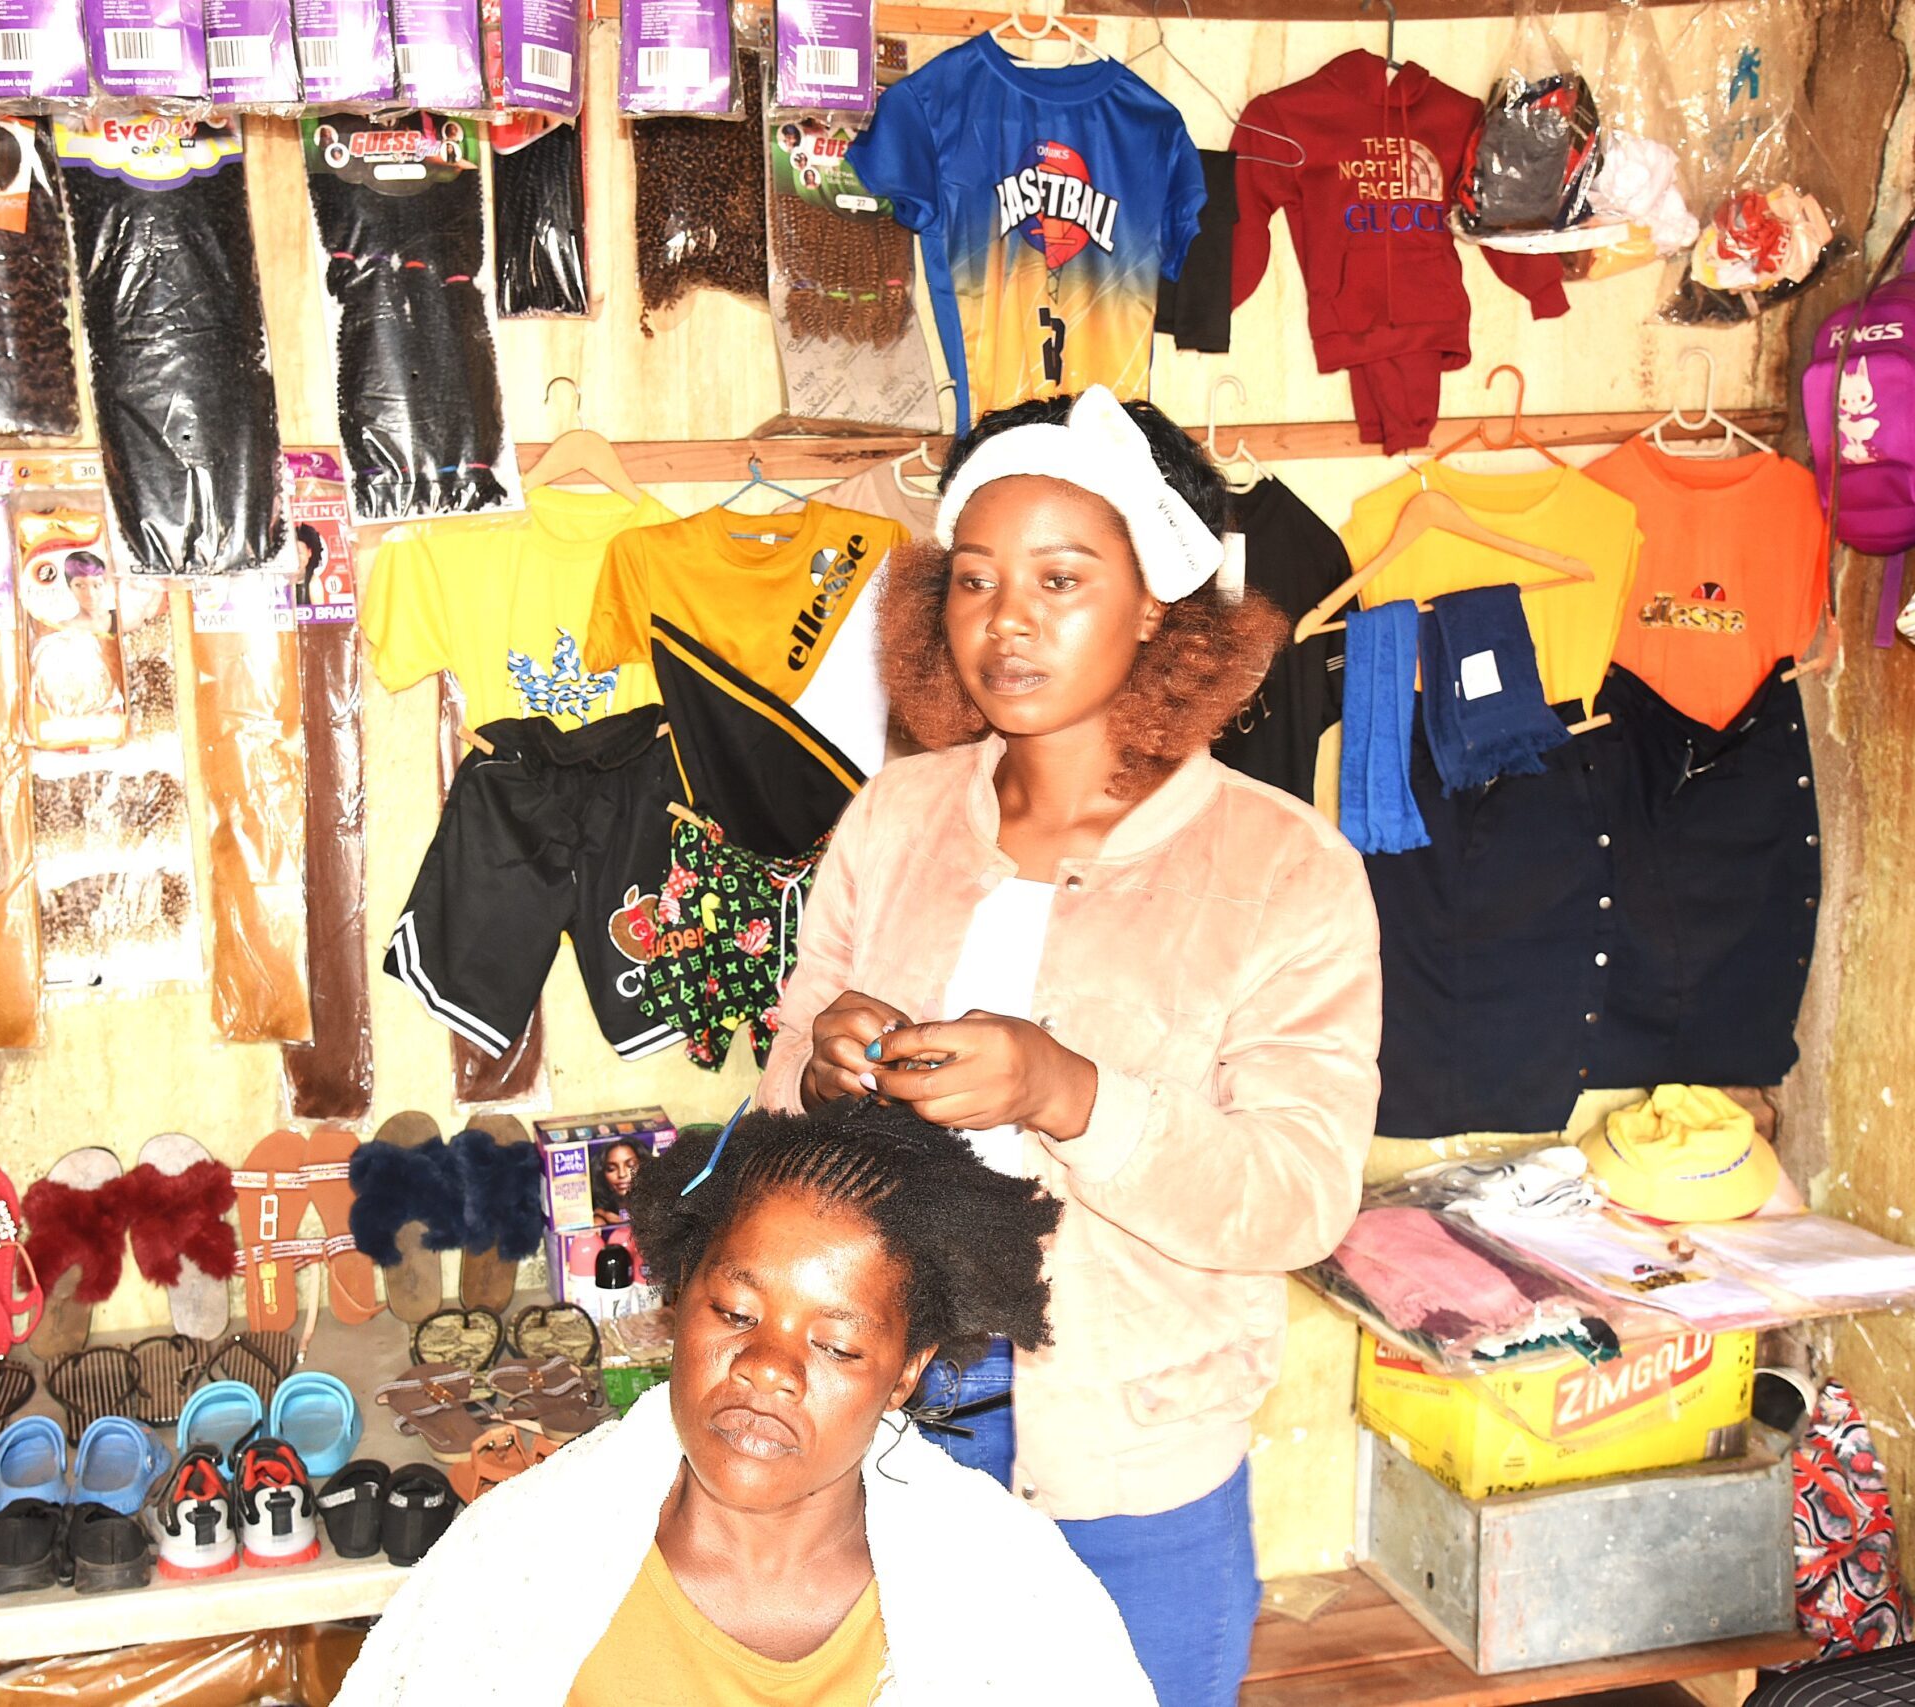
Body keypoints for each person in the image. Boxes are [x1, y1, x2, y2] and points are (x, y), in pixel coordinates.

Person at [755, 385, 1383, 1707]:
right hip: (881, 1432)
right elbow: (779, 1128)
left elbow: (1301, 1192)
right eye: (975, 579)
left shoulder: (1284, 869)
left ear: (1154, 595)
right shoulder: (898, 816)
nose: (1008, 619)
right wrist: (821, 1070)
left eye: (1061, 576)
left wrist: (1073, 1091)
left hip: (1129, 1471)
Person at [334, 1097, 1160, 1706]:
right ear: (676, 1299)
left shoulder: (1007, 1601)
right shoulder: (519, 1568)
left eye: (836, 1344)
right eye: (735, 1313)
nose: (768, 1367)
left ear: (906, 1370)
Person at [591, 1136, 644, 1225]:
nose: (622, 1174)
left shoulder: (657, 1207)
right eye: (611, 1169)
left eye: (631, 1165)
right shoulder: (600, 1216)